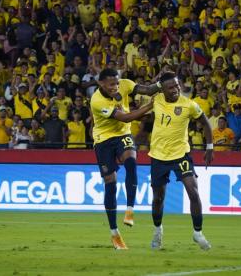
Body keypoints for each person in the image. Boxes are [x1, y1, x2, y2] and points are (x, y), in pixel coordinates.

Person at [90, 68, 159, 249]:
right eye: (111, 84)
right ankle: (114, 233)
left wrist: (162, 85)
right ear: (101, 84)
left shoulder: (125, 85)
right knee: (110, 183)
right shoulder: (97, 101)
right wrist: (149, 106)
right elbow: (126, 118)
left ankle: (130, 210)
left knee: (131, 161)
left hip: (123, 135)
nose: (116, 87)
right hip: (103, 140)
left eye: (117, 82)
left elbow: (149, 89)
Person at [148, 72, 214, 250]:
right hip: (158, 156)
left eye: (177, 85)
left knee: (193, 192)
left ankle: (197, 233)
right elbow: (144, 93)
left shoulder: (189, 105)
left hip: (181, 155)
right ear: (163, 89)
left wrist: (209, 147)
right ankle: (157, 230)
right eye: (170, 87)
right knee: (158, 199)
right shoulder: (156, 99)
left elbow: (206, 123)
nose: (176, 89)